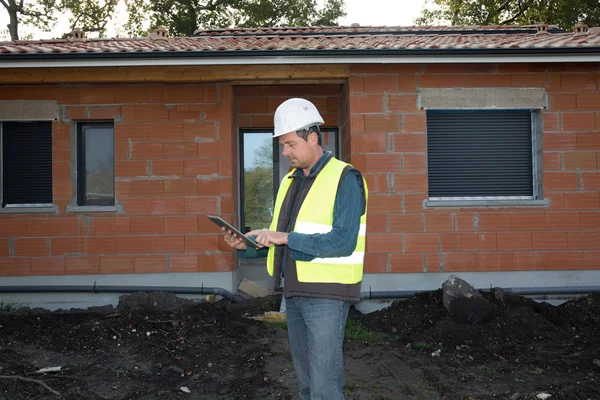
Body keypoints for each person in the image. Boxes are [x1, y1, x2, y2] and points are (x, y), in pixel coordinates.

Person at [223, 98, 368, 400]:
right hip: (295, 292)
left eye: (290, 144)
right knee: (305, 384)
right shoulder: (291, 182)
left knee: (324, 388)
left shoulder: (346, 178)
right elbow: (282, 239)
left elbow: (343, 241)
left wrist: (284, 238)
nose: (285, 152)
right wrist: (248, 244)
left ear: (312, 137)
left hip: (327, 295)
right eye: (282, 146)